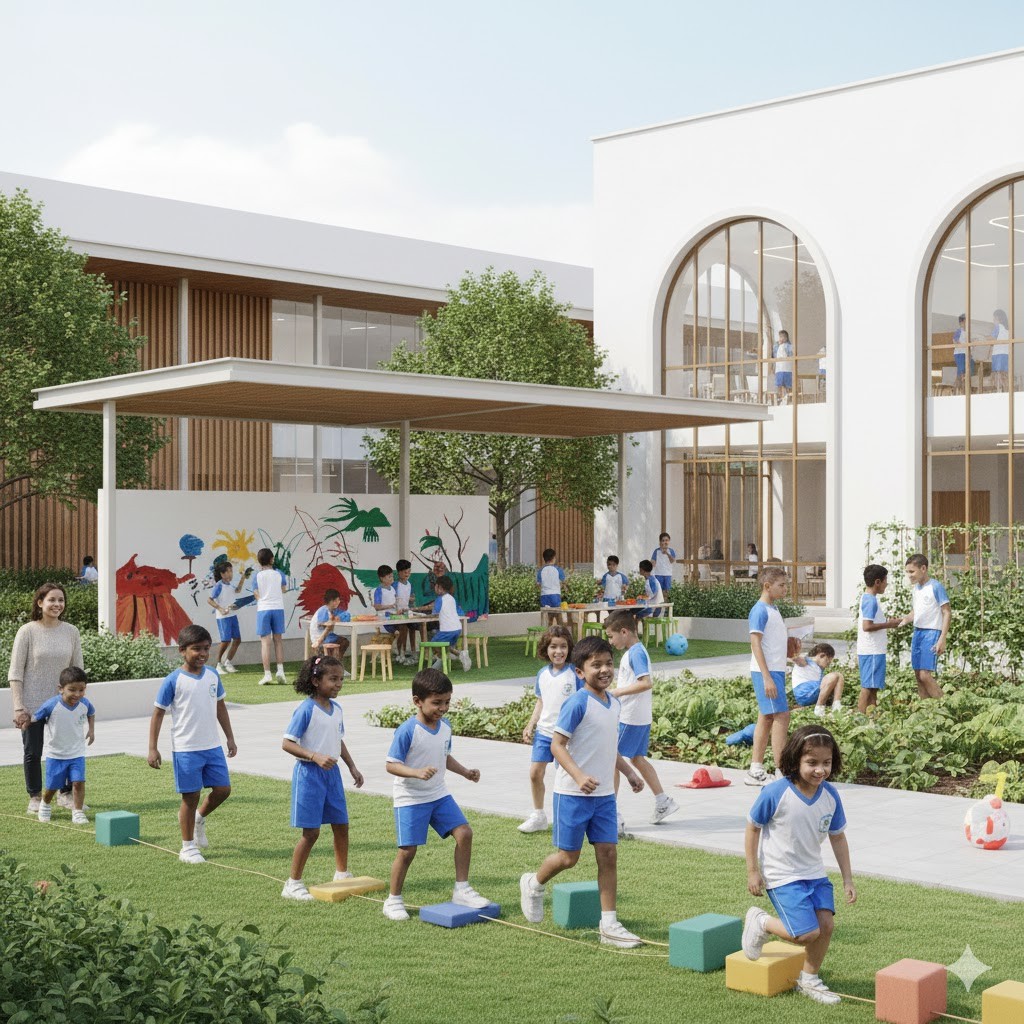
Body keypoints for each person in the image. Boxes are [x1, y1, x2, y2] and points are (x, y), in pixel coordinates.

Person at [518, 635, 645, 948]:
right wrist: (577, 775)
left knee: (609, 854)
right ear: (579, 672)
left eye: (608, 664)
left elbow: (609, 746)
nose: (604, 670)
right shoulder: (576, 703)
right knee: (568, 858)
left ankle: (610, 924)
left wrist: (629, 772)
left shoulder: (614, 703)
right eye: (595, 665)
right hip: (572, 794)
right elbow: (556, 744)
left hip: (603, 798)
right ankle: (533, 883)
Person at [742, 725, 855, 1007]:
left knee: (826, 925)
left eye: (826, 763)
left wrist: (847, 880)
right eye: (812, 763)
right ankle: (760, 921)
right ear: (795, 760)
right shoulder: (776, 792)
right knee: (805, 933)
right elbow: (752, 828)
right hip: (782, 875)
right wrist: (753, 870)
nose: (820, 770)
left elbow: (838, 836)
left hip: (814, 872)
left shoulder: (830, 795)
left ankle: (810, 978)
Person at [382, 668, 491, 921]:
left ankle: (462, 889)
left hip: (438, 794)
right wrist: (415, 772)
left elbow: (444, 756)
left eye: (447, 702)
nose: (443, 708)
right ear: (417, 701)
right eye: (437, 703)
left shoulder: (445, 727)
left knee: (464, 833)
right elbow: (391, 764)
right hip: (410, 798)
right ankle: (393, 900)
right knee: (408, 851)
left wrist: (465, 772)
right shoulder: (408, 730)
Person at [148, 625, 238, 865]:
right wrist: (152, 748)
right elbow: (157, 714)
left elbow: (220, 706)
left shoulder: (212, 675)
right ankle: (187, 847)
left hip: (212, 746)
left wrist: (229, 737)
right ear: (182, 650)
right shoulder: (173, 680)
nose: (202, 653)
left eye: (206, 649)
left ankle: (199, 818)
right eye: (196, 649)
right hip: (186, 748)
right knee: (191, 796)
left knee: (223, 790)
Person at [280, 655, 364, 901]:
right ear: (316, 681)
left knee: (341, 825)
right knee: (311, 833)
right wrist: (314, 756)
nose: (338, 684)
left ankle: (342, 874)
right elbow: (287, 743)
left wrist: (352, 766)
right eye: (333, 679)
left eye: (341, 679)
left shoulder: (336, 709)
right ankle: (292, 883)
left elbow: (338, 740)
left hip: (332, 775)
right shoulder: (306, 709)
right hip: (309, 775)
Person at [8, 582, 84, 814]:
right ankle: (34, 796)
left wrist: (78, 699)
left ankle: (65, 794)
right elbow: (15, 672)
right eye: (52, 600)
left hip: (65, 705)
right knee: (33, 752)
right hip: (32, 704)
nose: (57, 604)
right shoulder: (27, 631)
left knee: (67, 750)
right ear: (40, 603)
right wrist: (19, 707)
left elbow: (78, 668)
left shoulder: (71, 631)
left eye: (61, 600)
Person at [605, 610, 679, 830]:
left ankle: (612, 814)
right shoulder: (635, 651)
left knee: (612, 760)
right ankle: (663, 801)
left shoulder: (635, 653)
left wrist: (616, 693)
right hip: (639, 716)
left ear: (624, 632)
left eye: (611, 636)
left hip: (630, 717)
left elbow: (645, 683)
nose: (610, 640)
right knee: (637, 759)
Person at [518, 626, 581, 833]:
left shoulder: (575, 674)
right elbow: (541, 701)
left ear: (569, 649)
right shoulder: (542, 674)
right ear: (546, 649)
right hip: (544, 733)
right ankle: (538, 816)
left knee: (567, 778)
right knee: (535, 773)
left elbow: (582, 702)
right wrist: (530, 724)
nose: (558, 651)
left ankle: (570, 817)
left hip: (566, 736)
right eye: (553, 646)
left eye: (563, 646)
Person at [746, 566, 791, 786]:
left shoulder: (773, 609)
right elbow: (755, 643)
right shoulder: (759, 610)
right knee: (782, 716)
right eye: (781, 585)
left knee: (767, 717)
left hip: (775, 670)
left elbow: (772, 642)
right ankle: (781, 770)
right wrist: (767, 677)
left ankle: (756, 770)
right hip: (767, 672)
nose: (785, 589)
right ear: (767, 586)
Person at [33, 666, 94, 825]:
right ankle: (45, 804)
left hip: (77, 753)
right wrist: (25, 721)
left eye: (81, 690)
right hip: (56, 755)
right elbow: (36, 717)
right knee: (53, 787)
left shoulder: (85, 703)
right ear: (61, 689)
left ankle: (78, 811)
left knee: (78, 782)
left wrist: (91, 730)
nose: (77, 694)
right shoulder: (52, 705)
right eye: (72, 690)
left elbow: (91, 712)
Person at [899, 554, 949, 699]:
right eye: (907, 572)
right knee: (918, 675)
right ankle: (926, 710)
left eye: (912, 571)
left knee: (925, 675)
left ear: (923, 568)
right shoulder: (916, 589)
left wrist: (942, 638)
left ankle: (944, 705)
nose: (909, 575)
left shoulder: (936, 586)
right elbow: (917, 611)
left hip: (932, 633)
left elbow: (946, 612)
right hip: (918, 633)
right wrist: (905, 619)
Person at [857, 564, 901, 714]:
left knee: (873, 686)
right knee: (868, 687)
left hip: (873, 650)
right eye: (885, 580)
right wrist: (890, 624)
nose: (886, 584)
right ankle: (859, 717)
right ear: (877, 582)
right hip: (872, 650)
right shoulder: (870, 601)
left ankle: (872, 717)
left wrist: (886, 622)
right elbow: (867, 626)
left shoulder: (869, 598)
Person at [252, 547, 289, 685]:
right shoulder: (279, 573)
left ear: (259, 561)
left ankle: (267, 674)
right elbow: (284, 589)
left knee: (265, 643)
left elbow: (256, 594)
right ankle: (281, 671)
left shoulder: (257, 576)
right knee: (278, 641)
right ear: (272, 559)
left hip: (264, 609)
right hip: (278, 608)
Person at [208, 561, 246, 674]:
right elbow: (209, 600)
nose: (230, 574)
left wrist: (243, 578)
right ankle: (218, 664)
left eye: (231, 571)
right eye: (228, 571)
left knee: (237, 640)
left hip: (232, 615)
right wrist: (220, 609)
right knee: (226, 640)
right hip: (223, 617)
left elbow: (237, 590)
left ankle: (228, 662)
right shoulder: (218, 585)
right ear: (222, 574)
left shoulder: (230, 584)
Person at [789, 641, 844, 717]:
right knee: (835, 676)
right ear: (822, 655)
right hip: (805, 695)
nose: (827, 665)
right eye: (827, 662)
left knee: (839, 676)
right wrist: (792, 650)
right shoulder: (807, 661)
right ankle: (819, 709)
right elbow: (796, 659)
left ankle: (836, 706)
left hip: (814, 693)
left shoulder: (819, 669)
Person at [430, 575, 472, 672]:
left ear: (440, 588)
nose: (434, 588)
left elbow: (434, 613)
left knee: (433, 643)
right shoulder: (451, 598)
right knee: (446, 646)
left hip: (447, 629)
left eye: (435, 586)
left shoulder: (439, 599)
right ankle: (458, 654)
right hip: (457, 628)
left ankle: (443, 660)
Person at [374, 563, 412, 665]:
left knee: (404, 626)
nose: (392, 578)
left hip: (393, 617)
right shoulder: (379, 590)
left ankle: (401, 653)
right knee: (399, 629)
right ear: (382, 578)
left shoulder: (392, 589)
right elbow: (377, 606)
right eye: (389, 576)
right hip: (384, 620)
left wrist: (398, 610)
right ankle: (397, 651)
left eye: (392, 576)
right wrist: (390, 606)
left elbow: (395, 605)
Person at [309, 589, 350, 663]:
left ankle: (335, 663)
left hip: (327, 638)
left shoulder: (333, 610)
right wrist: (331, 622)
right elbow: (322, 624)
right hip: (321, 640)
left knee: (344, 641)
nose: (338, 602)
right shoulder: (323, 610)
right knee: (343, 642)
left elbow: (346, 614)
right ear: (331, 601)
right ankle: (334, 663)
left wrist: (338, 618)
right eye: (336, 600)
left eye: (338, 600)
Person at [394, 559, 418, 663]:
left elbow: (412, 598)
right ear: (399, 572)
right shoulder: (395, 585)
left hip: (407, 611)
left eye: (409, 572)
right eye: (405, 572)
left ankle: (413, 652)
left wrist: (412, 601)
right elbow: (392, 599)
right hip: (397, 613)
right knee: (403, 629)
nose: (407, 574)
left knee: (412, 628)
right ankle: (401, 652)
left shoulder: (409, 584)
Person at [536, 548, 566, 625]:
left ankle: (549, 634)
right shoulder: (558, 569)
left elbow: (538, 584)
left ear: (544, 559)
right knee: (558, 616)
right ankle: (560, 632)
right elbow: (564, 582)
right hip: (555, 595)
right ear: (553, 558)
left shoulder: (540, 570)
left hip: (544, 596)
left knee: (549, 617)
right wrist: (562, 587)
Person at [990, 308, 1010, 391]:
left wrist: (982, 338)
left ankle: (999, 391)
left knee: (997, 374)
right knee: (1004, 374)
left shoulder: (997, 327)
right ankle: (1006, 391)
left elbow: (992, 339)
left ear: (998, 318)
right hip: (1006, 354)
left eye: (994, 318)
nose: (993, 320)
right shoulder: (1007, 329)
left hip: (998, 354)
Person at [650, 533, 676, 599]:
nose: (665, 542)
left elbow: (672, 560)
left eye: (666, 540)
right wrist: (651, 563)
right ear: (660, 542)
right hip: (658, 574)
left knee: (667, 592)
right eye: (663, 540)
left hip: (668, 574)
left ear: (669, 541)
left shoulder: (671, 551)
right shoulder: (656, 551)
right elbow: (653, 562)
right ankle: (658, 608)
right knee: (659, 592)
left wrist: (666, 553)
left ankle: (666, 608)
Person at [952, 313, 972, 393]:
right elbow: (954, 340)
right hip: (959, 353)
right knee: (962, 372)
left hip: (966, 353)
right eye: (966, 322)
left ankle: (956, 389)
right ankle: (963, 391)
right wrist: (963, 345)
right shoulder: (959, 331)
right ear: (961, 323)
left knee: (962, 372)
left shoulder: (968, 332)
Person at [774, 329, 794, 404]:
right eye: (780, 337)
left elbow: (791, 355)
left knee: (787, 385)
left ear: (786, 338)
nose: (781, 338)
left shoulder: (788, 346)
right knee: (779, 385)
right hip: (779, 368)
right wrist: (777, 344)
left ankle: (788, 398)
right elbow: (774, 354)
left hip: (786, 368)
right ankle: (781, 398)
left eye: (782, 337)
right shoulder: (778, 346)